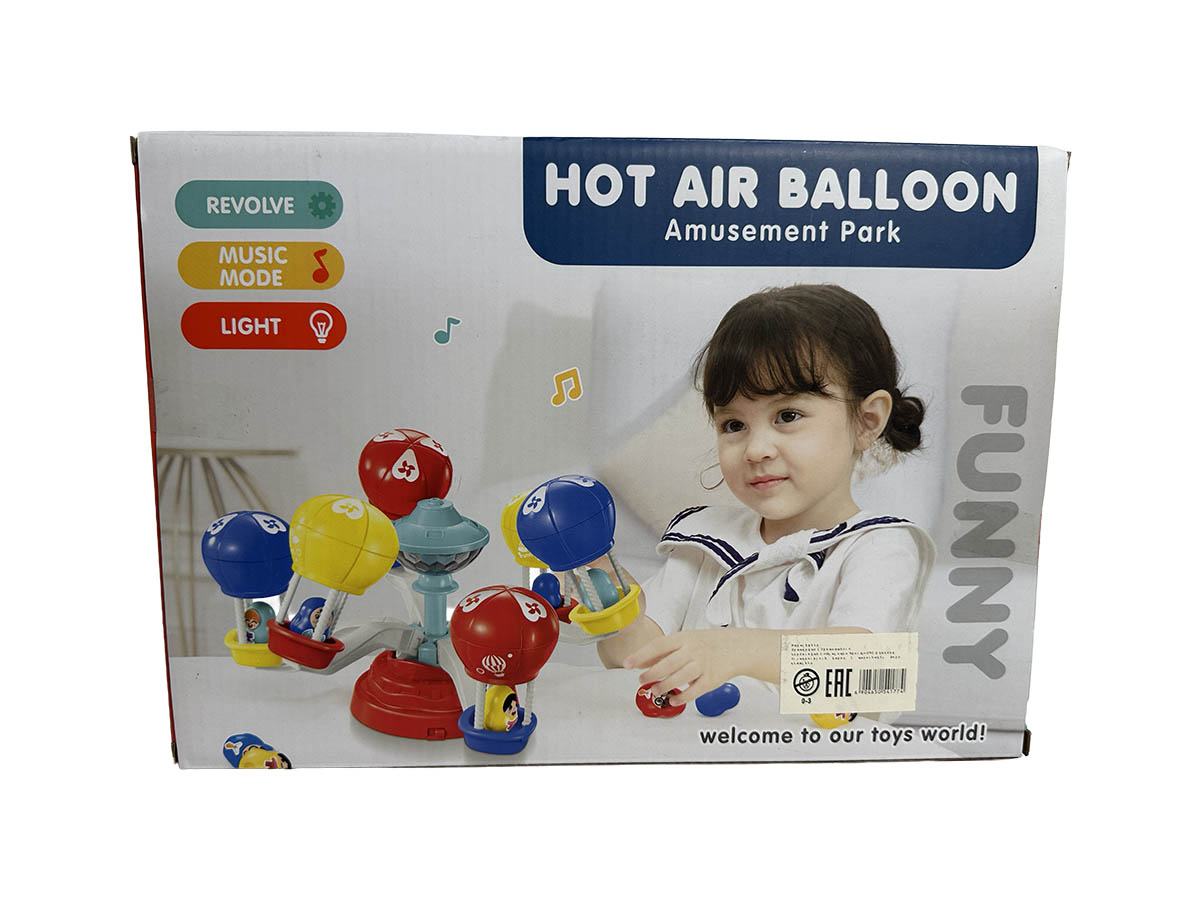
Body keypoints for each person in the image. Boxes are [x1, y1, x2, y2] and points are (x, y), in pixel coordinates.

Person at [595, 284, 934, 706]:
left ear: (866, 421)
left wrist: (735, 650)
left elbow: (868, 667)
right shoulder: (703, 540)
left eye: (787, 415)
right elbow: (636, 657)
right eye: (734, 425)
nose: (756, 450)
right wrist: (605, 588)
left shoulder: (879, 546)